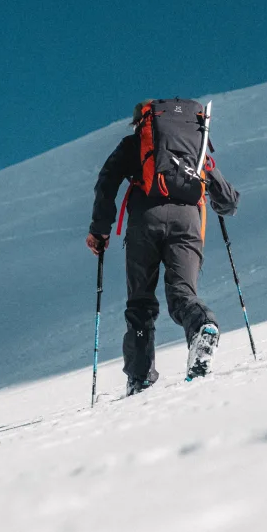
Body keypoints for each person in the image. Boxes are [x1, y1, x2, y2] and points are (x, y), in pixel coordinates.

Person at [86, 99, 239, 394]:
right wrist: (221, 203)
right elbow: (228, 199)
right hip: (187, 220)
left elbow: (106, 181)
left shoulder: (133, 145)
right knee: (183, 293)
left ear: (143, 123)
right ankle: (202, 327)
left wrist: (100, 230)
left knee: (141, 302)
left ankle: (140, 378)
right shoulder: (195, 148)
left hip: (145, 220)